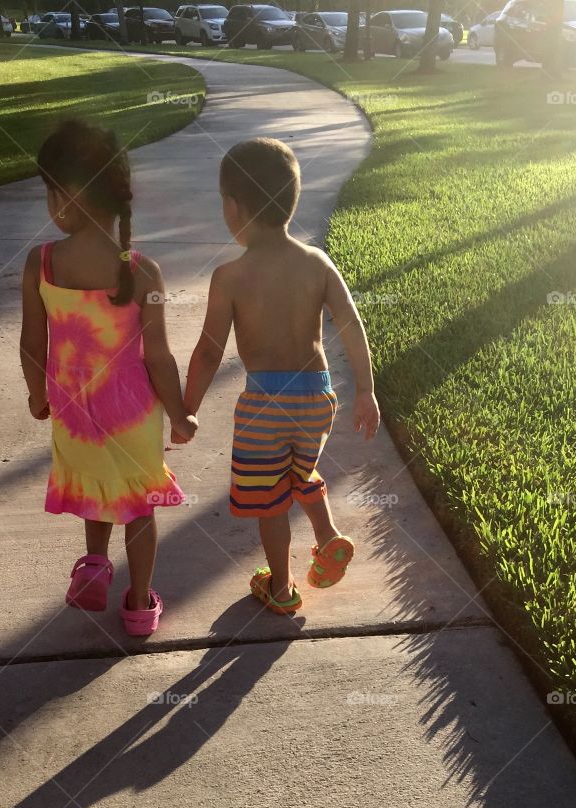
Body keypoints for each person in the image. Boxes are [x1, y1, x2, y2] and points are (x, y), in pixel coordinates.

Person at [174, 137, 380, 615]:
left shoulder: (229, 276)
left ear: (232, 206)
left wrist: (187, 408)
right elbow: (351, 326)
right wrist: (366, 391)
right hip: (316, 397)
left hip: (264, 402)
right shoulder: (316, 262)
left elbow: (208, 351)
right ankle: (327, 536)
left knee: (269, 501)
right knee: (299, 469)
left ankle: (282, 588)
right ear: (292, 199)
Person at [20, 118, 197, 637]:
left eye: (49, 192)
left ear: (69, 194)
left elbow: (33, 344)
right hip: (133, 413)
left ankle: (94, 563)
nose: (49, 205)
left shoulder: (43, 262)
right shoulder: (143, 271)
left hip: (74, 411)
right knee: (139, 507)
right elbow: (159, 356)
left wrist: (37, 396)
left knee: (95, 488)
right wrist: (181, 413)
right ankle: (140, 604)